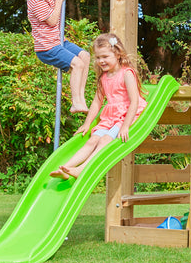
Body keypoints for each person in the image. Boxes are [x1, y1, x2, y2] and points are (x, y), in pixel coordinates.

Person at [51, 34, 146, 179]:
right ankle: (67, 168)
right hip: (111, 116)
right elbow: (97, 102)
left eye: (105, 56)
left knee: (104, 140)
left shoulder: (127, 74)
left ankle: (82, 169)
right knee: (92, 140)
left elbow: (134, 101)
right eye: (98, 57)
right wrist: (87, 123)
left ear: (118, 54)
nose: (101, 61)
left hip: (126, 115)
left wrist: (126, 126)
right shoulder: (104, 77)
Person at [22, 0, 90, 113]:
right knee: (77, 64)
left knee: (85, 56)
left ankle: (80, 97)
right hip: (46, 47)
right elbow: (52, 21)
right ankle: (76, 102)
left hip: (59, 41)